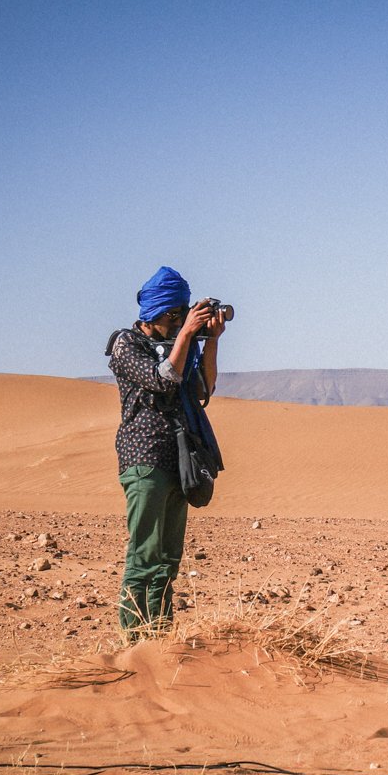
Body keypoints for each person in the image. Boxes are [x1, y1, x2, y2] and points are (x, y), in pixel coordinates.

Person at [108, 265, 227, 639]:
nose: (178, 323)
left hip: (179, 459)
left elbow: (203, 389)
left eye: (183, 315)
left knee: (168, 559)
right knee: (145, 553)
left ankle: (158, 635)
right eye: (175, 316)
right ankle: (132, 639)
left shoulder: (182, 345)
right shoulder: (126, 344)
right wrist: (187, 336)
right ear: (156, 313)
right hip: (144, 459)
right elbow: (164, 378)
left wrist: (210, 341)